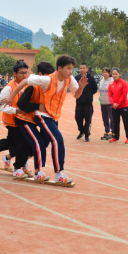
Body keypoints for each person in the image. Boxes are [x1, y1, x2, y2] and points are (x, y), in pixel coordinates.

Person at [23, 54, 79, 182]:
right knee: (57, 140)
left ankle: (25, 159)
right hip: (42, 115)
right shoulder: (47, 79)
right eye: (68, 68)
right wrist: (12, 95)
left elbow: (77, 95)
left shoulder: (69, 79)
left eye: (72, 69)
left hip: (53, 116)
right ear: (59, 68)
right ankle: (58, 174)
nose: (71, 71)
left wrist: (81, 87)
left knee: (44, 143)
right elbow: (26, 80)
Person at [0, 60, 32, 176]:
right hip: (11, 120)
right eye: (22, 73)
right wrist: (16, 110)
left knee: (11, 142)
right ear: (15, 74)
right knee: (22, 142)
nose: (25, 75)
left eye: (26, 73)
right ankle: (20, 166)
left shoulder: (27, 85)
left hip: (22, 120)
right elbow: (0, 106)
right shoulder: (9, 88)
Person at [74, 63, 99, 142]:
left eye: (84, 68)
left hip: (88, 103)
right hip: (79, 102)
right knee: (78, 118)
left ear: (87, 69)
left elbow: (95, 89)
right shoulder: (77, 78)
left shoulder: (91, 78)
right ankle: (82, 131)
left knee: (88, 119)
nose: (82, 69)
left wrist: (88, 95)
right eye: (80, 68)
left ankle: (87, 134)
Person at [108, 67, 128, 143]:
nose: (114, 75)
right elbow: (109, 95)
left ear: (119, 74)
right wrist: (113, 103)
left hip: (123, 106)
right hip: (114, 107)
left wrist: (118, 103)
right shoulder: (110, 84)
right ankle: (116, 137)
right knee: (115, 122)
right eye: (113, 74)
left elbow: (124, 95)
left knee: (126, 122)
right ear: (111, 75)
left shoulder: (124, 83)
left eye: (116, 74)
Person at [98, 68, 114, 140]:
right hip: (103, 103)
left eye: (106, 72)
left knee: (112, 118)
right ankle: (107, 132)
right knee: (105, 119)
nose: (104, 73)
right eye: (103, 72)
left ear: (109, 73)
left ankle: (113, 132)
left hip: (110, 103)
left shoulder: (112, 81)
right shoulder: (101, 81)